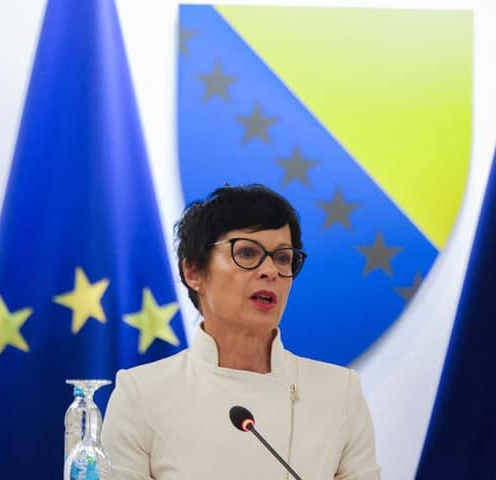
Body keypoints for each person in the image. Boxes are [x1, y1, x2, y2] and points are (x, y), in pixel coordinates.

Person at [101, 184, 380, 479]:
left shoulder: (339, 393)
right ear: (193, 271)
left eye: (283, 258)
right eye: (247, 253)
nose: (270, 271)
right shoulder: (142, 395)